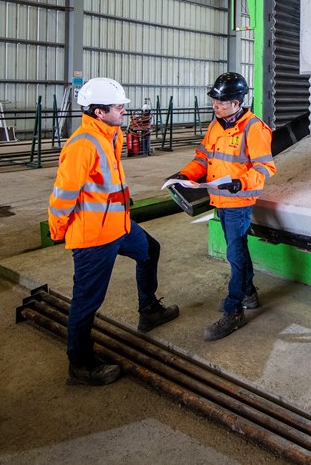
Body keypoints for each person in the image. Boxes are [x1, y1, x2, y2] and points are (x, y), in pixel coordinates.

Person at [48, 77, 179, 385]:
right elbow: (62, 196)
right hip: (94, 236)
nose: (124, 112)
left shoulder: (112, 135)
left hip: (118, 224)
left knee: (150, 250)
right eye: (119, 107)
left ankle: (149, 309)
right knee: (87, 302)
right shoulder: (82, 145)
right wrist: (59, 230)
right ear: (98, 112)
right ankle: (80, 364)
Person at [166, 72, 275, 341]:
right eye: (214, 99)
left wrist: (240, 182)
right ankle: (249, 294)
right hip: (219, 198)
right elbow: (203, 158)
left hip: (239, 201)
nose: (215, 104)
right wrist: (185, 175)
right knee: (236, 251)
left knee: (235, 255)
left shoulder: (254, 128)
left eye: (221, 101)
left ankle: (234, 308)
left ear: (237, 103)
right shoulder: (216, 124)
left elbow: (265, 167)